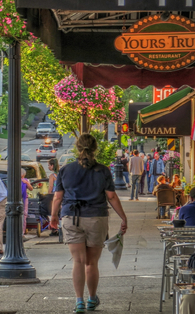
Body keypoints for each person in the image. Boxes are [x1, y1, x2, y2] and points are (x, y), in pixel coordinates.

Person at [50, 134, 127, 313]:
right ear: (95, 148)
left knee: (78, 261)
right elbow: (112, 196)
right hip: (96, 217)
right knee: (91, 263)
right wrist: (123, 217)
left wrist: (54, 216)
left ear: (77, 148)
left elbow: (57, 197)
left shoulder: (66, 170)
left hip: (71, 217)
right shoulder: (103, 170)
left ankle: (79, 301)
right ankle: (92, 299)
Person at [21, 168, 33, 238]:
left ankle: (22, 232)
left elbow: (31, 188)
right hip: (19, 198)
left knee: (24, 215)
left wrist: (27, 183)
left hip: (24, 198)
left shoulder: (26, 180)